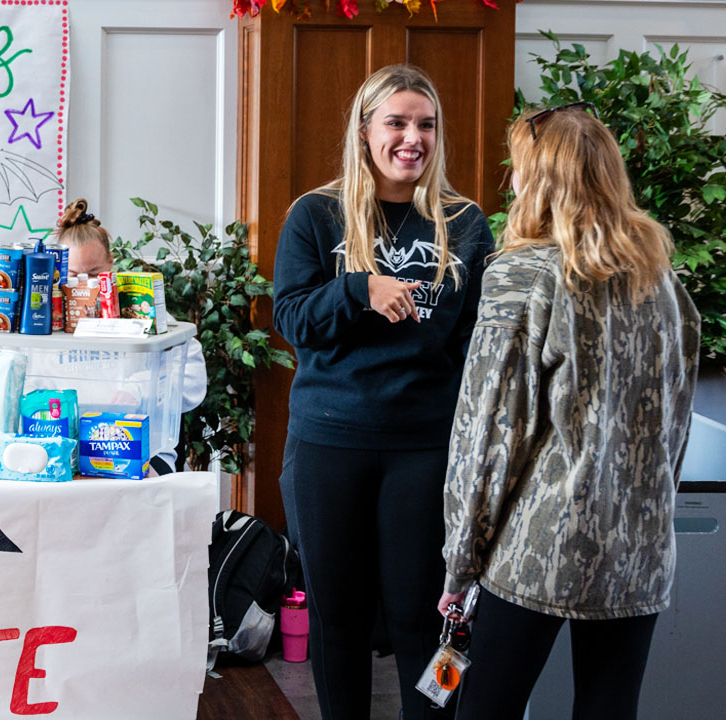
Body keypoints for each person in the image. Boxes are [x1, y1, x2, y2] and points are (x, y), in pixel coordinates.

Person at [438, 104, 700, 720]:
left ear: (539, 178)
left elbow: (489, 435)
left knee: (485, 709)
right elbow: (674, 421)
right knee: (609, 709)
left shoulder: (523, 273)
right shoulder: (661, 279)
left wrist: (459, 563)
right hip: (638, 545)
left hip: (540, 546)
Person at [272, 64, 495, 719]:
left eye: (425, 124)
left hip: (426, 448)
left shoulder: (466, 223)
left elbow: (475, 341)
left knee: (428, 620)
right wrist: (357, 287)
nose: (412, 137)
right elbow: (291, 320)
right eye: (396, 122)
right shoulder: (316, 215)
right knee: (336, 620)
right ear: (365, 131)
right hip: (328, 443)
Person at [57, 197, 208, 474]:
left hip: (144, 452)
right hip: (63, 454)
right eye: (73, 275)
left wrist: (139, 388)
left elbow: (193, 379)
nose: (86, 286)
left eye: (95, 274)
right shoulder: (47, 320)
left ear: (111, 264)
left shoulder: (141, 312)